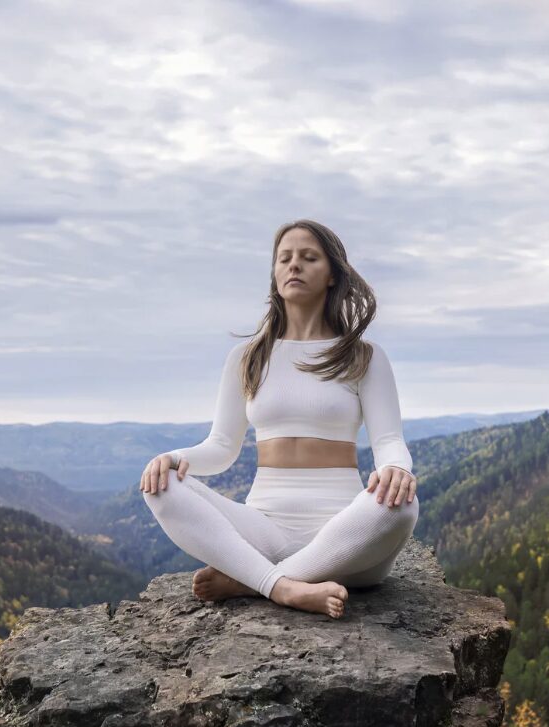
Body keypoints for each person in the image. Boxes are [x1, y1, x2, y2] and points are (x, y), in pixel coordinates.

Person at [140, 219, 419, 619]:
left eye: (308, 258)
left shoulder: (362, 357)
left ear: (332, 275)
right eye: (284, 258)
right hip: (263, 532)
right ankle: (283, 586)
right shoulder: (247, 358)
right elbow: (220, 448)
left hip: (344, 541)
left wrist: (396, 469)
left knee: (403, 505)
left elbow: (389, 439)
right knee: (159, 484)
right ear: (274, 273)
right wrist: (172, 456)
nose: (294, 266)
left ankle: (254, 582)